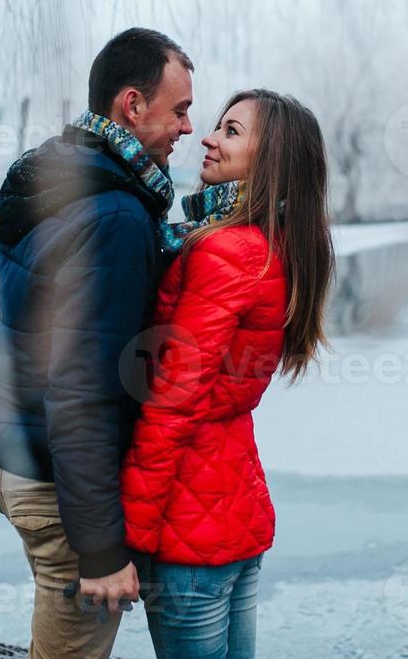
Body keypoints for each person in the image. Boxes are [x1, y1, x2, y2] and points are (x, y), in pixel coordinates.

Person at [0, 27, 194, 658]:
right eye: (179, 110)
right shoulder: (116, 216)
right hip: (64, 491)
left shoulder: (51, 173)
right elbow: (84, 391)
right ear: (132, 105)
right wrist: (99, 551)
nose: (187, 128)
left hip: (15, 460)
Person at [121, 88, 335, 659]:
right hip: (233, 510)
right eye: (219, 126)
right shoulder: (276, 245)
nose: (209, 138)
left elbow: (173, 400)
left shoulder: (227, 252)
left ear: (272, 162)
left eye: (233, 132)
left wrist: (131, 537)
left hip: (188, 528)